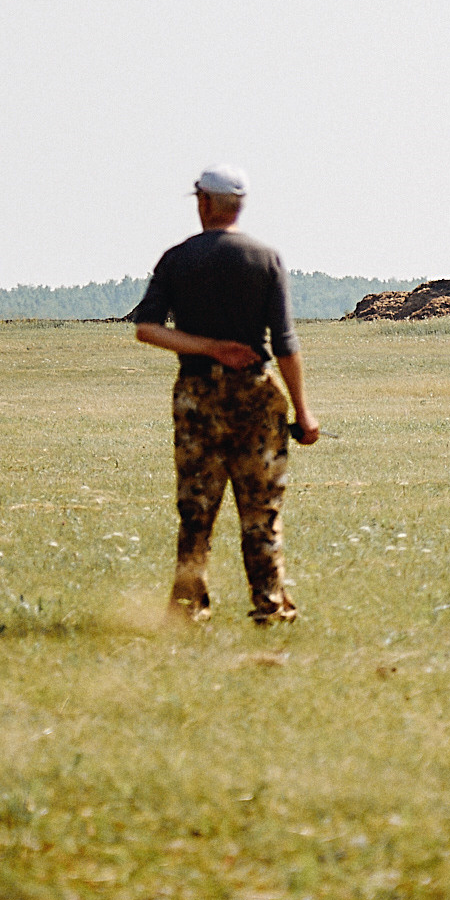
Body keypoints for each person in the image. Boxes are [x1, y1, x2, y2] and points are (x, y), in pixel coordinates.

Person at [131, 165, 319, 625]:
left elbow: (147, 330)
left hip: (197, 397)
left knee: (196, 507)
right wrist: (304, 413)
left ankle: (188, 608)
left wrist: (207, 348)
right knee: (261, 509)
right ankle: (270, 606)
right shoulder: (266, 259)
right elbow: (286, 346)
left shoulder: (177, 259)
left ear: (203, 203)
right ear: (239, 206)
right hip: (258, 397)